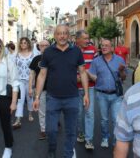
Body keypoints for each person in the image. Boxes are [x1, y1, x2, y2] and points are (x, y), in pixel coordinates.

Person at [33, 24, 89, 158]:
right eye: (59, 33)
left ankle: (68, 154)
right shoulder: (48, 52)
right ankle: (52, 150)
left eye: (65, 33)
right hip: (53, 98)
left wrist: (86, 94)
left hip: (72, 97)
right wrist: (36, 97)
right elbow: (42, 75)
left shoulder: (76, 51)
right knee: (51, 130)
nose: (62, 36)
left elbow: (82, 72)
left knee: (71, 131)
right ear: (55, 35)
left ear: (69, 35)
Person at [88, 38, 126, 148]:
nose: (103, 47)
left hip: (116, 95)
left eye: (106, 45)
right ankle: (105, 137)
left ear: (112, 48)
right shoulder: (96, 61)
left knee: (116, 120)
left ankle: (115, 140)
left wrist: (121, 71)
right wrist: (88, 73)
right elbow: (93, 75)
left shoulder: (119, 60)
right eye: (102, 45)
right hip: (101, 94)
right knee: (104, 120)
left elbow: (123, 78)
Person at [75, 30, 98, 150]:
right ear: (77, 39)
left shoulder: (93, 50)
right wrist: (76, 78)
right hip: (75, 88)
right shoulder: (71, 50)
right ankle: (81, 133)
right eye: (84, 38)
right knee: (78, 113)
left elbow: (96, 67)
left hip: (90, 87)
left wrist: (88, 75)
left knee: (89, 113)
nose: (87, 41)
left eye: (88, 38)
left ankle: (89, 140)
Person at [28, 40, 50, 140]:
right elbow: (32, 74)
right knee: (42, 111)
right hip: (41, 89)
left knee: (54, 109)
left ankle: (54, 123)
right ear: (39, 47)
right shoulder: (36, 59)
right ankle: (43, 130)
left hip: (54, 89)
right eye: (42, 45)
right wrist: (30, 88)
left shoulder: (54, 58)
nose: (44, 47)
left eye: (46, 45)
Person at [12, 37, 35, 129]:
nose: (23, 44)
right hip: (19, 80)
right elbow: (13, 68)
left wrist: (34, 81)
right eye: (21, 43)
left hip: (30, 80)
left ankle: (30, 113)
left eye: (25, 43)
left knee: (29, 98)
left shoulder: (33, 55)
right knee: (20, 100)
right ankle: (18, 119)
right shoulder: (16, 55)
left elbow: (35, 70)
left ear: (28, 44)